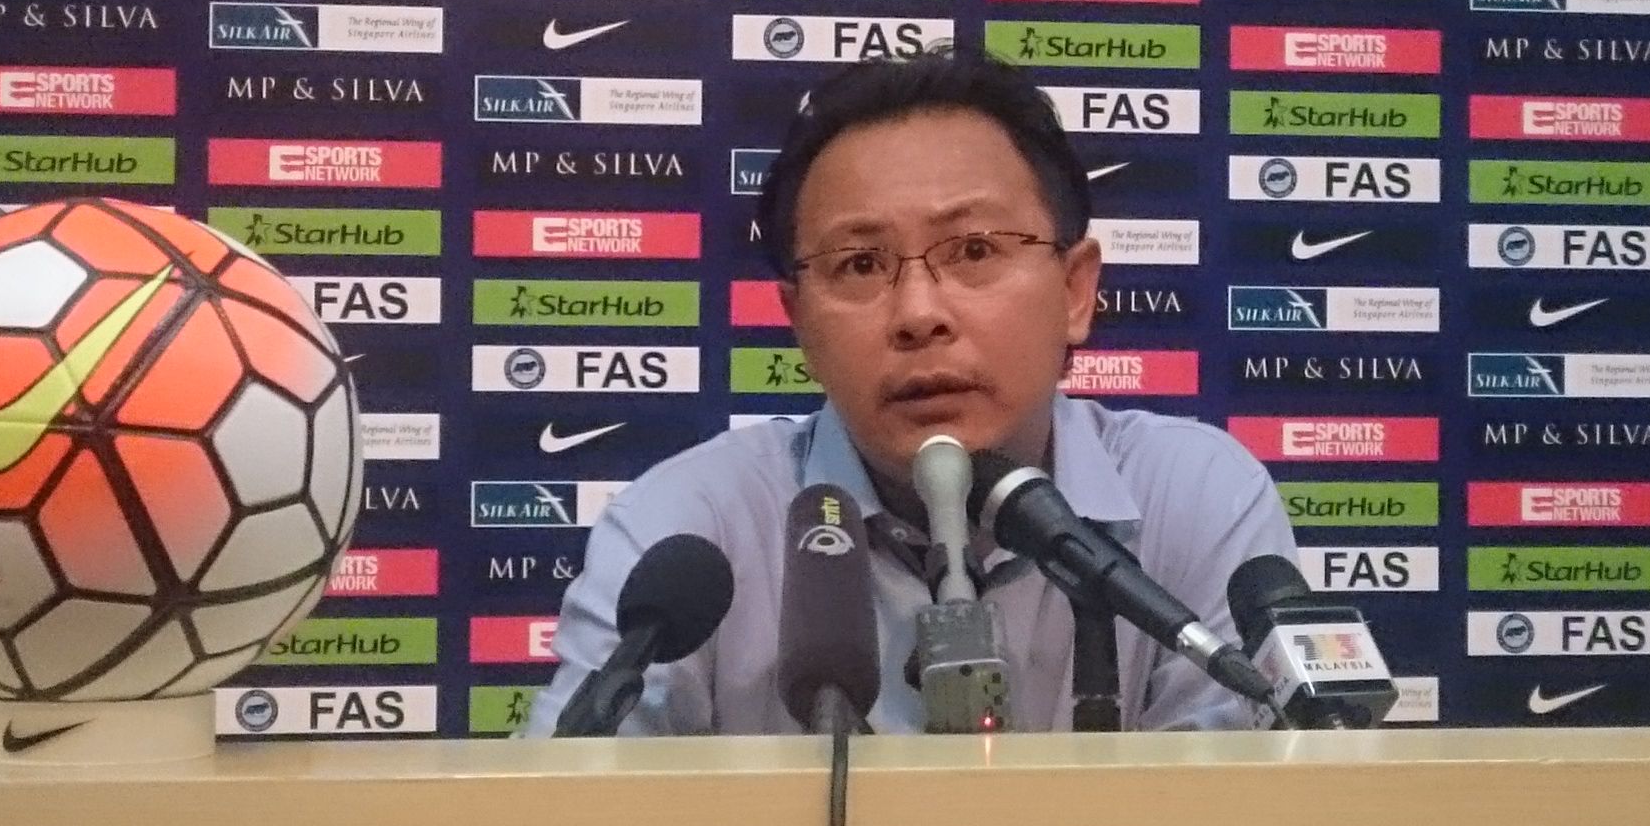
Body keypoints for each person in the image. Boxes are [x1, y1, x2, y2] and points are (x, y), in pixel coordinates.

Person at [521, 53, 1298, 735]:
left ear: (1074, 290)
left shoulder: (1191, 497)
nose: (920, 314)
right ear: (798, 322)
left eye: (974, 251)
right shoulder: (691, 530)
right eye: (860, 265)